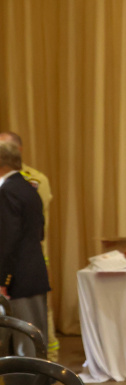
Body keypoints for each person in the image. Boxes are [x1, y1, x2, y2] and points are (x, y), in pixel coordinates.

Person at [0, 131, 59, 361]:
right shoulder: (28, 189)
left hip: (17, 279)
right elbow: (39, 229)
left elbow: (7, 240)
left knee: (25, 343)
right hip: (33, 272)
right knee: (34, 338)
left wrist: (3, 279)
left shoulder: (6, 192)